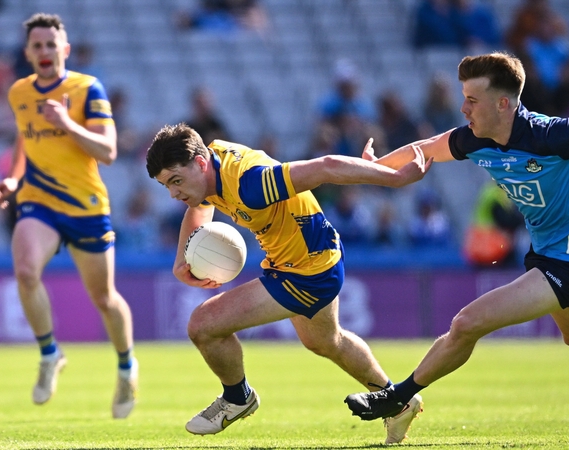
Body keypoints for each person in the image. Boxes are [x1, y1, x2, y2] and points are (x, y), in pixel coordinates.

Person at [344, 52, 569, 442]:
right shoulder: (474, 139)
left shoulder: (551, 135)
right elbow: (426, 148)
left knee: (466, 323)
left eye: (472, 100)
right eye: (464, 98)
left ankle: (397, 397)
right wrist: (377, 166)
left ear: (503, 104)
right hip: (546, 254)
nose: (463, 108)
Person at [145, 124, 431, 443]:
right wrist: (182, 260)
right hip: (312, 258)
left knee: (203, 324)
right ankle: (397, 402)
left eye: (176, 181)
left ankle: (238, 398)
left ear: (199, 164)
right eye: (166, 185)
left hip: (306, 272)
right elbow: (200, 204)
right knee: (325, 341)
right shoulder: (209, 165)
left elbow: (325, 167)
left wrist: (394, 178)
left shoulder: (251, 183)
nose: (173, 193)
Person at [0, 13, 138, 419]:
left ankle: (126, 367)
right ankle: (49, 354)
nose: (44, 52)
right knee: (25, 270)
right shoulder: (20, 93)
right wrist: (15, 180)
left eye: (51, 45)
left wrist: (67, 122)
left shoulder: (87, 89)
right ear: (27, 53)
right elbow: (25, 139)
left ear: (64, 50)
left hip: (86, 206)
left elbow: (108, 151)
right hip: (39, 202)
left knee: (104, 298)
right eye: (36, 46)